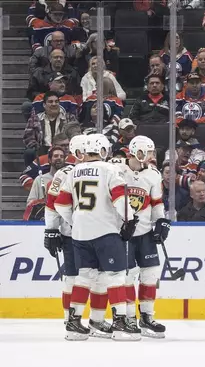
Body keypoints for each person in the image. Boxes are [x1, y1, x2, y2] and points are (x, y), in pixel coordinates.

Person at [53, 133, 139, 341]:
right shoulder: (110, 169)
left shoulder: (73, 171)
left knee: (84, 276)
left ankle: (73, 324)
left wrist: (76, 221)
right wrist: (129, 220)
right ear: (102, 150)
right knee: (115, 276)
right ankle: (120, 324)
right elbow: (120, 199)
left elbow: (60, 204)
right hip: (105, 231)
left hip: (80, 233)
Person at [43, 134, 112, 338]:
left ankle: (97, 321)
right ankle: (70, 320)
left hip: (97, 232)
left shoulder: (101, 170)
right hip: (72, 235)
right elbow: (52, 204)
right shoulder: (64, 173)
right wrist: (51, 229)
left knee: (101, 278)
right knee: (73, 278)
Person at [113, 136, 169, 338]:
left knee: (151, 274)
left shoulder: (153, 173)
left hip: (145, 232)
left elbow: (156, 202)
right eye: (149, 152)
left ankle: (147, 317)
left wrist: (161, 221)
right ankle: (128, 317)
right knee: (127, 276)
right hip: (123, 232)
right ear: (137, 151)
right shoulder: (118, 170)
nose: (152, 156)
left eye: (153, 152)